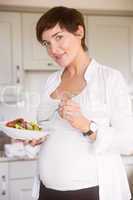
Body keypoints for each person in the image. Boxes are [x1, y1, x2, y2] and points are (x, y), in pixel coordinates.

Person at [31, 6, 133, 200]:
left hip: (91, 191)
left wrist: (87, 126)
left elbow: (128, 141)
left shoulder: (109, 78)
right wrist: (35, 137)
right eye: (46, 43)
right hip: (47, 191)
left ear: (79, 31)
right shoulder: (51, 81)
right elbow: (47, 129)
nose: (53, 50)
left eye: (59, 37)